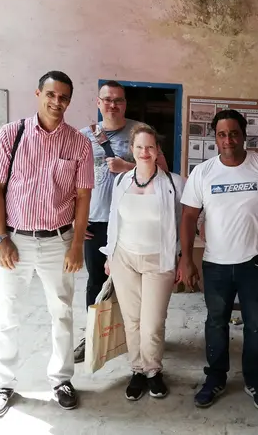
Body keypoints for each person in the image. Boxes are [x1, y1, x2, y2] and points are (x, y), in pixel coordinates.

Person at [0, 70, 94, 417]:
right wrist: (1, 238)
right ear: (38, 94)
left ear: (69, 101)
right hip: (15, 240)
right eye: (51, 94)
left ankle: (61, 379)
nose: (56, 102)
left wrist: (76, 244)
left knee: (61, 314)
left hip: (57, 242)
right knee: (8, 315)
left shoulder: (79, 143)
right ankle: (4, 383)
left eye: (63, 97)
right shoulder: (11, 134)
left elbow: (82, 197)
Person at [178, 109, 258, 412]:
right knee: (216, 322)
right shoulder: (203, 173)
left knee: (255, 324)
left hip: (256, 262)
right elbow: (189, 216)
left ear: (245, 134)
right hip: (216, 263)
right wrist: (186, 259)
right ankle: (215, 378)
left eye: (234, 133)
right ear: (215, 138)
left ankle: (255, 380)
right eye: (222, 134)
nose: (228, 140)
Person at [98, 124, 184, 400]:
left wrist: (182, 258)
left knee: (153, 322)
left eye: (150, 147)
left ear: (158, 150)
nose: (145, 152)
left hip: (159, 260)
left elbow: (184, 224)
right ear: (132, 151)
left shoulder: (174, 183)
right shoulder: (123, 181)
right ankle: (138, 369)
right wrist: (110, 254)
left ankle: (154, 370)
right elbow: (114, 218)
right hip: (124, 258)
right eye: (139, 147)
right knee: (132, 320)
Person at [73, 80, 139, 363]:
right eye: (108, 100)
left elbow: (160, 170)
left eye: (119, 100)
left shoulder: (139, 131)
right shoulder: (82, 136)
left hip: (131, 222)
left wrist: (128, 167)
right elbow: (67, 179)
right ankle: (92, 335)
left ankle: (133, 336)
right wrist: (74, 219)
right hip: (95, 222)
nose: (113, 105)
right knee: (95, 280)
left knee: (131, 282)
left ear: (125, 103)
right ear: (98, 102)